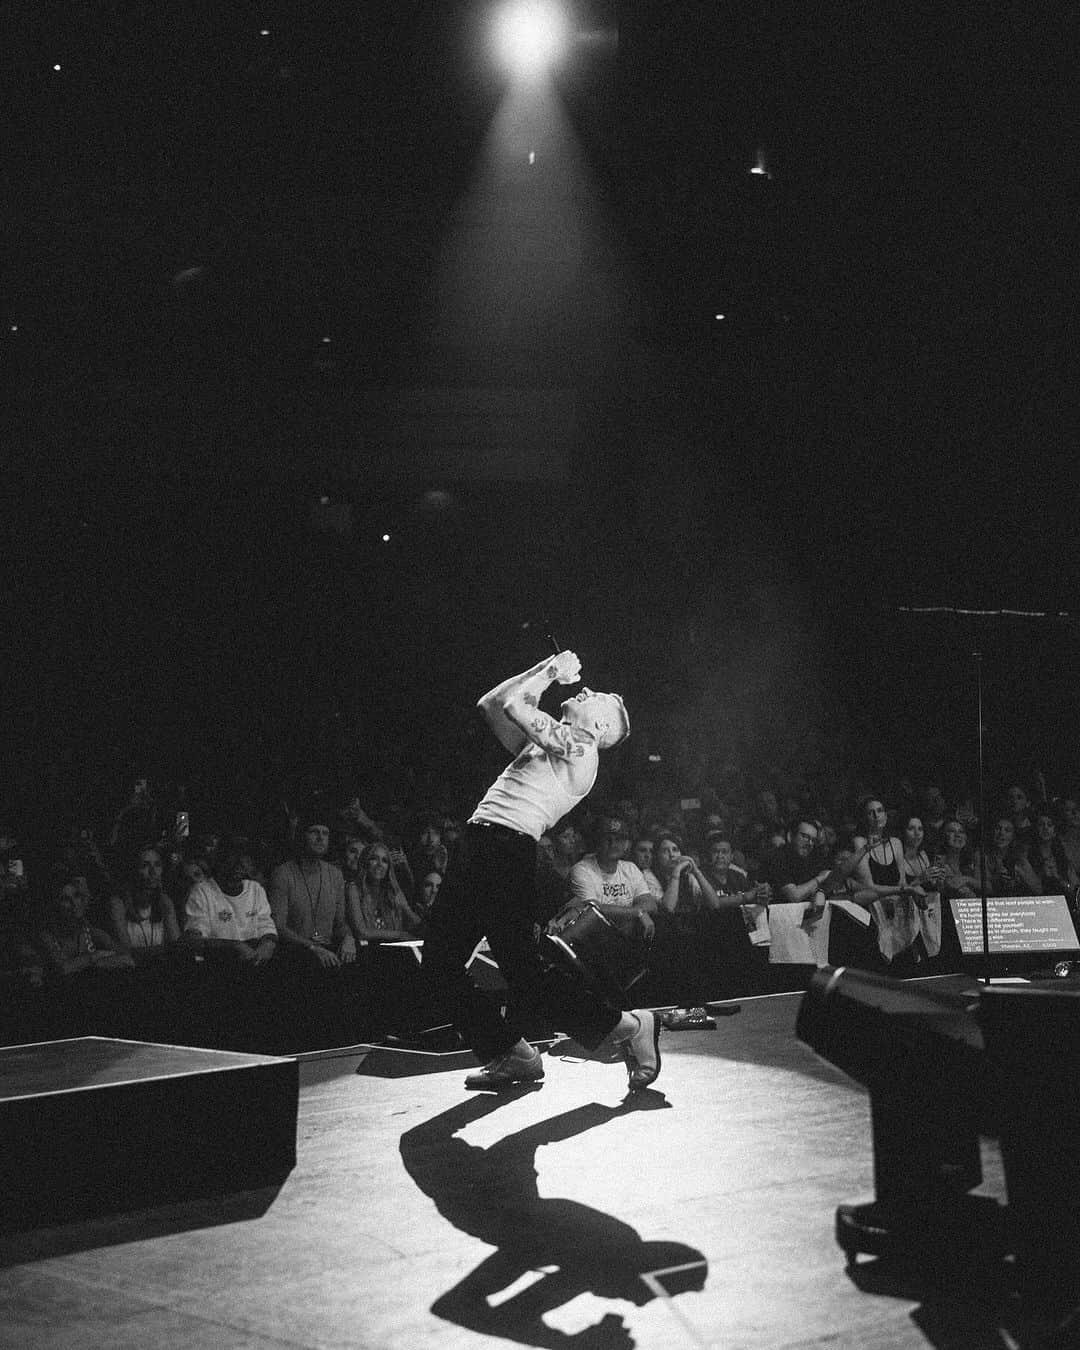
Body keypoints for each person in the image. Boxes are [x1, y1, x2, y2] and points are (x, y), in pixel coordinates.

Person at [421, 650, 662, 1092]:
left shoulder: (580, 749)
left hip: (506, 849)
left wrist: (554, 672)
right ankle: (510, 1052)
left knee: (524, 973)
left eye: (600, 697)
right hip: (479, 843)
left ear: (602, 726)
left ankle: (626, 1026)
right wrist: (543, 667)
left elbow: (517, 706)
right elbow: (492, 705)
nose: (588, 689)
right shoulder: (547, 745)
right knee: (439, 963)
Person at [268, 817, 356, 970]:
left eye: (325, 833)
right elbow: (278, 926)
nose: (320, 838)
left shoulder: (335, 874)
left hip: (327, 948)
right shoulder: (283, 873)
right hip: (295, 951)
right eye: (314, 832)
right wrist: (312, 947)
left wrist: (348, 938)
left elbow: (340, 923)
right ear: (303, 836)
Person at [567, 815, 656, 941]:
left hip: (626, 938)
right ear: (598, 842)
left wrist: (635, 912)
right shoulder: (582, 869)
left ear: (626, 844)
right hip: (593, 940)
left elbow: (651, 904)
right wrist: (638, 912)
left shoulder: (630, 868)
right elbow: (593, 911)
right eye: (607, 839)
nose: (613, 844)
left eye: (618, 839)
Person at [106, 845, 182, 963]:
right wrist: (165, 950)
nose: (153, 872)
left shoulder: (165, 902)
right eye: (145, 865)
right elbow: (125, 953)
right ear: (133, 870)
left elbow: (178, 949)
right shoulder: (118, 904)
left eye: (157, 865)